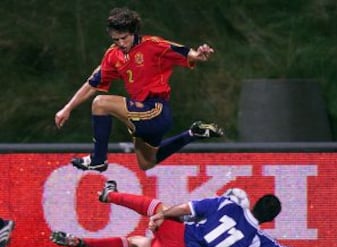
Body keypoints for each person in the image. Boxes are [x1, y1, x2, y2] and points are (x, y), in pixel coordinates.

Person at [54, 7, 223, 172]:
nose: (121, 43)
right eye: (116, 39)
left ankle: (98, 159)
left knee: (100, 103)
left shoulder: (152, 44)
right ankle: (193, 133)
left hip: (156, 111)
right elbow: (92, 84)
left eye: (124, 38)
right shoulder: (113, 55)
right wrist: (67, 109)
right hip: (140, 114)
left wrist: (198, 55)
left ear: (133, 31)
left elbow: (183, 51)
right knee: (147, 163)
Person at [50, 181, 316, 247]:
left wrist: (161, 215)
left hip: (182, 238)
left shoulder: (227, 204)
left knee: (158, 206)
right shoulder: (258, 242)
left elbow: (185, 208)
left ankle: (110, 196)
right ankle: (80, 241)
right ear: (271, 220)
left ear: (254, 202)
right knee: (136, 243)